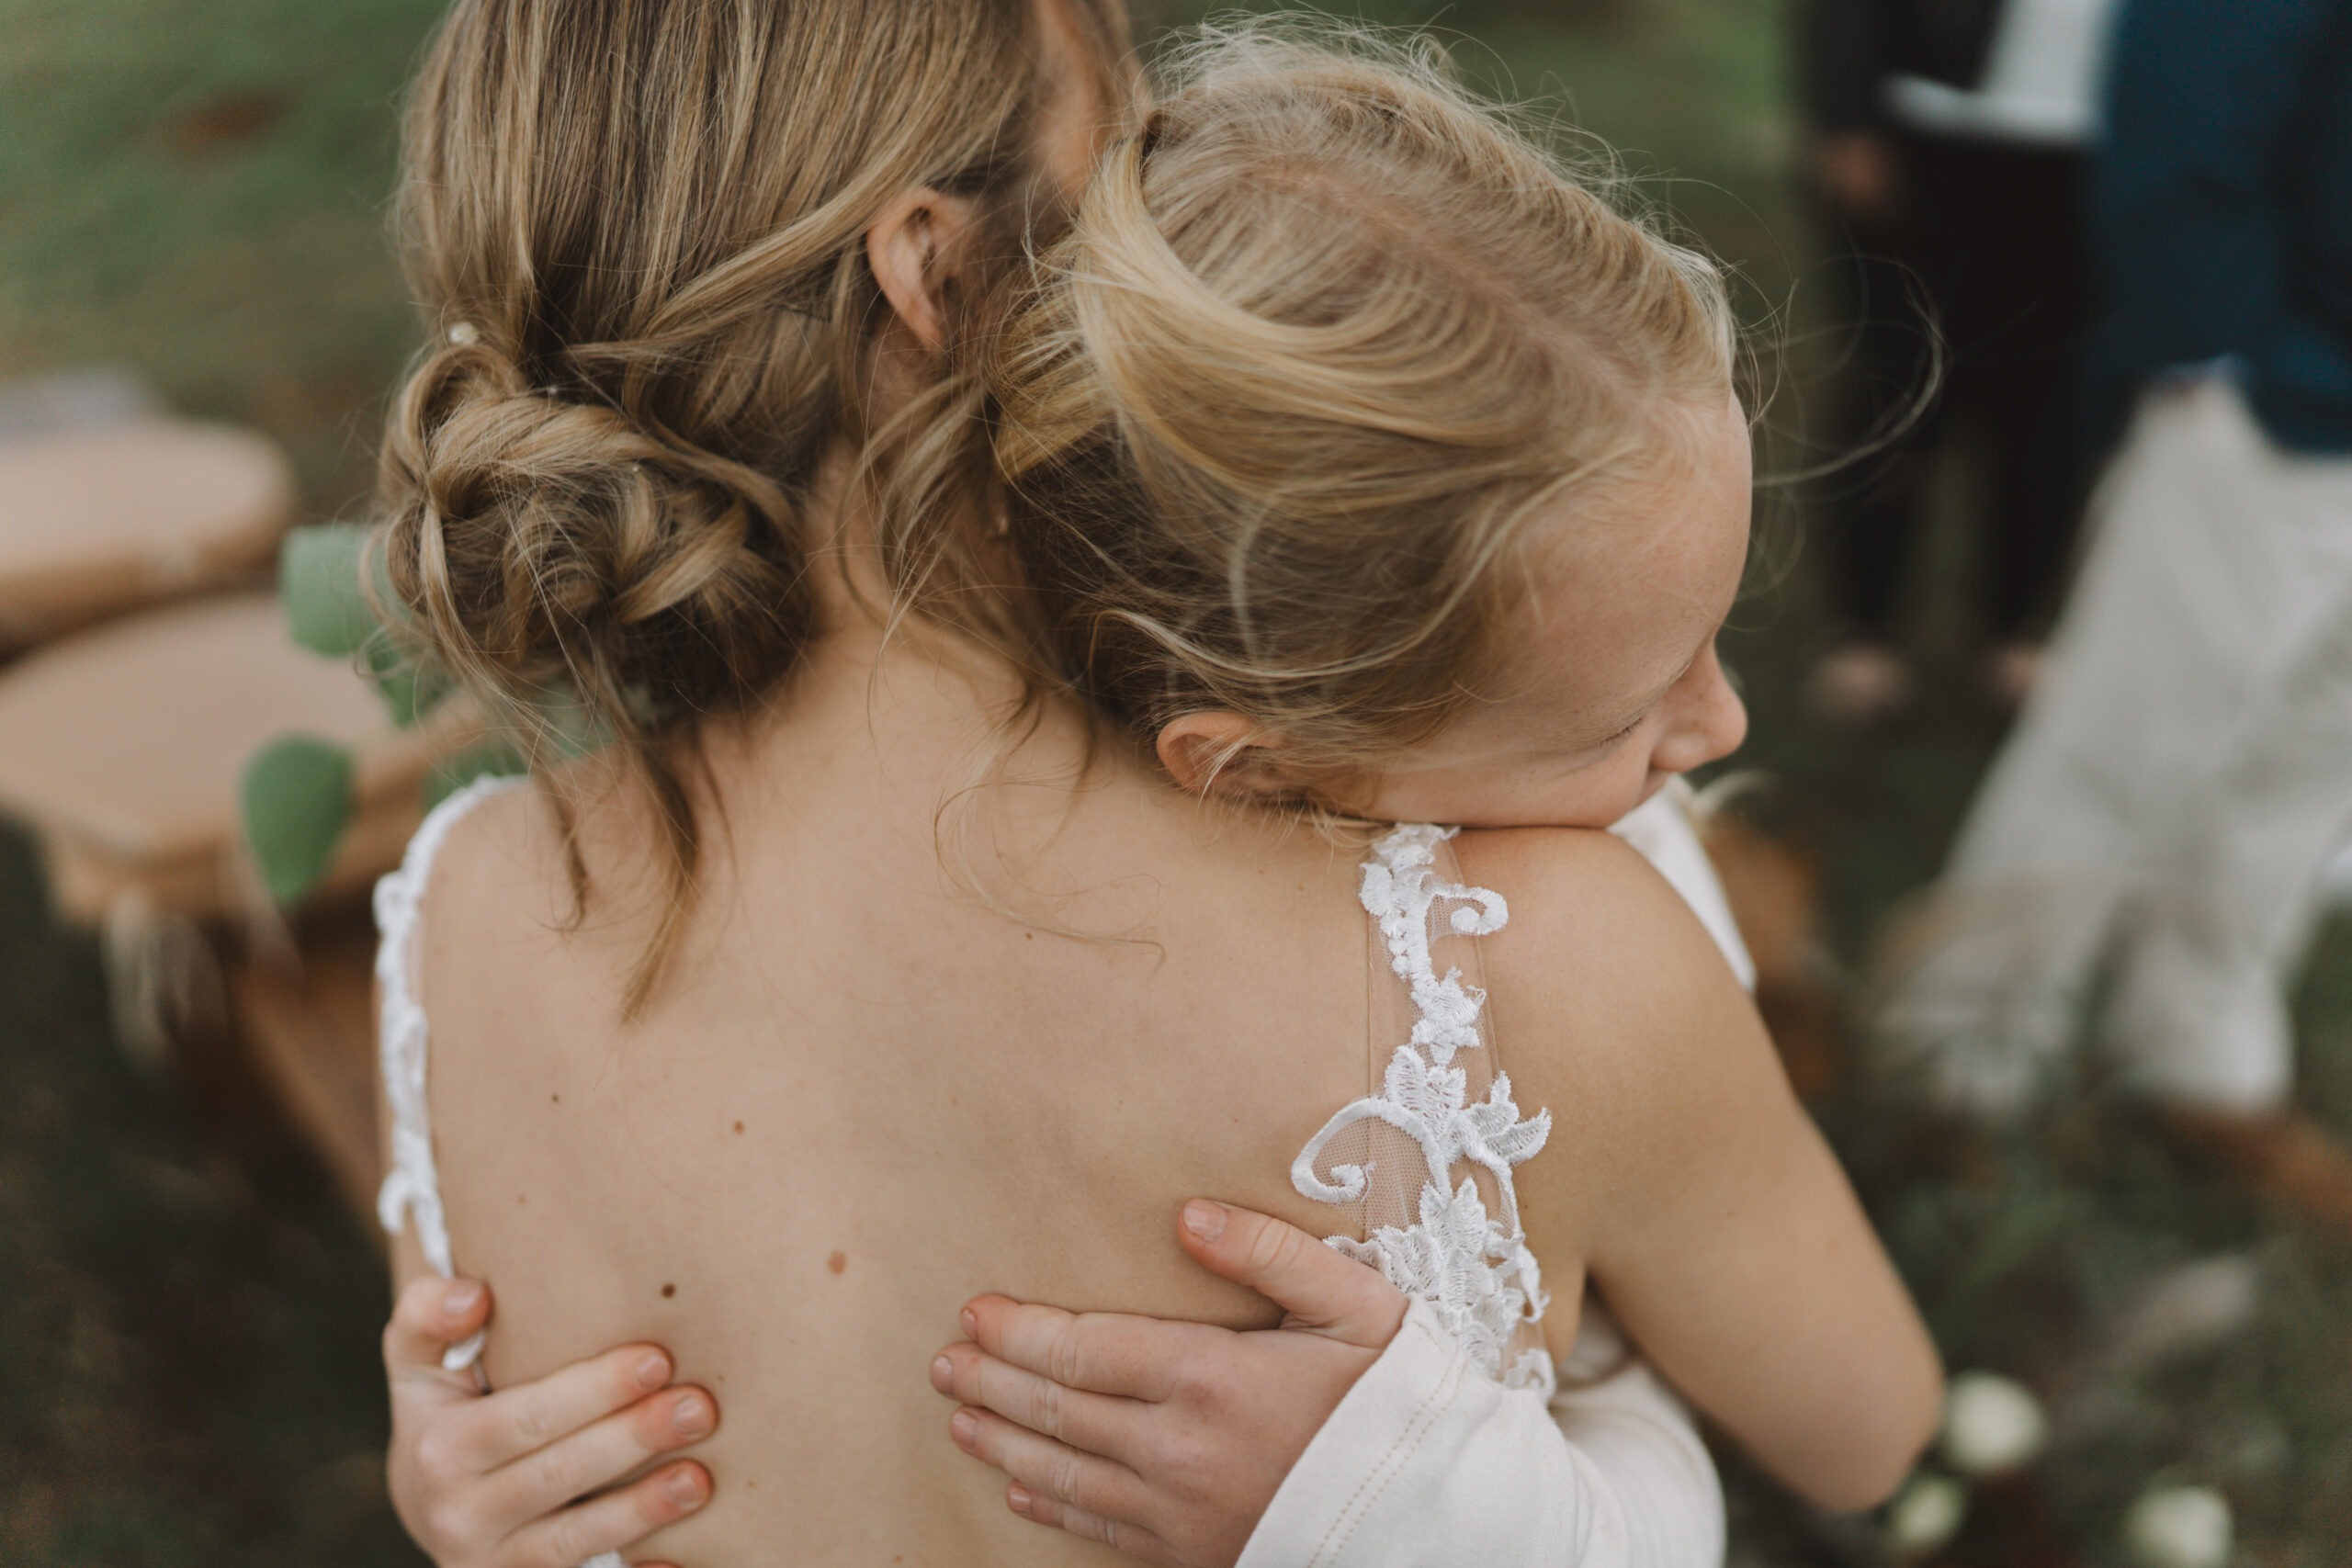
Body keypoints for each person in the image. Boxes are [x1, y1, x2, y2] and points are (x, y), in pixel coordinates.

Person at [368, 11, 1940, 1567]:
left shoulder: (460, 925)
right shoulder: (1517, 955)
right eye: (1110, 127)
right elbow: (1868, 1429)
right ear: (931, 270)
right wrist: (1486, 1505)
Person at [1874, 0, 2352, 1169]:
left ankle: (2195, 1050)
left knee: (2315, 753)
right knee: (2134, 731)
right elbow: (2188, 103)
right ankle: (1963, 1052)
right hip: (2272, 388)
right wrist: (2217, 350)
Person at [1795, 0, 2121, 720]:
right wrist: (1844, 115)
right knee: (1900, 378)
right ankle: (1864, 628)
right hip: (1930, 128)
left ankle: (2012, 628)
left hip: (2087, 153)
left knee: (2045, 400)